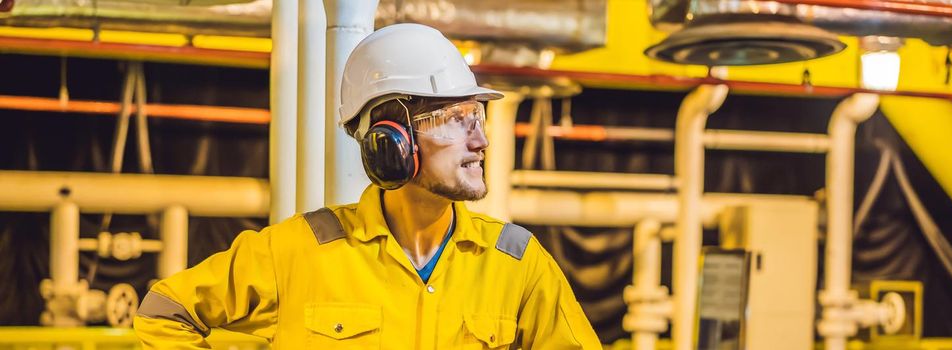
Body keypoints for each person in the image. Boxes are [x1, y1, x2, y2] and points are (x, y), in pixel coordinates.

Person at [133, 23, 602, 349]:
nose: (481, 140)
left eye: (477, 117)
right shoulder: (298, 252)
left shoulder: (516, 264)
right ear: (391, 141)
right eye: (455, 120)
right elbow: (164, 312)